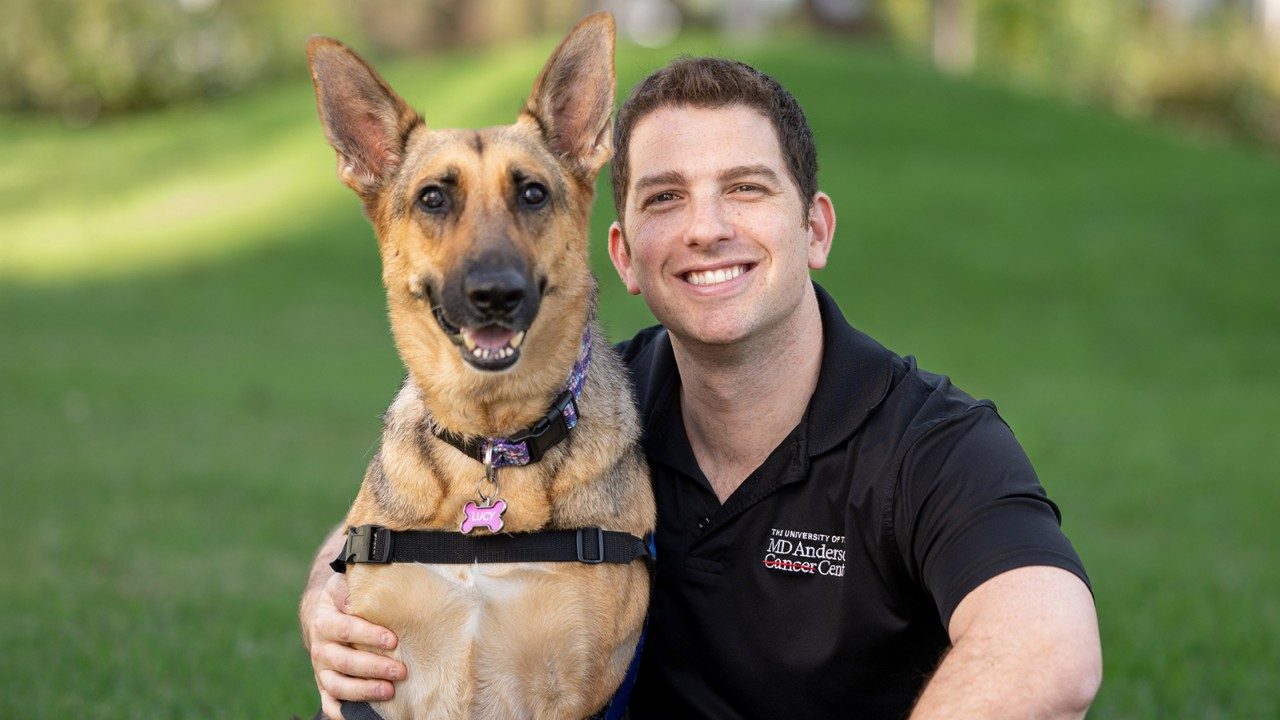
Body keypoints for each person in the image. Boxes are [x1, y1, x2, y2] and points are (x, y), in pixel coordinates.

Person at [300, 56, 1101, 719]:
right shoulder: (581, 405)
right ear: (620, 253)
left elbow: (1050, 650)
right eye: (665, 197)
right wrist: (324, 601)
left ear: (815, 229)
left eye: (746, 188)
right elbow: (393, 518)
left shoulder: (931, 440)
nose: (706, 228)